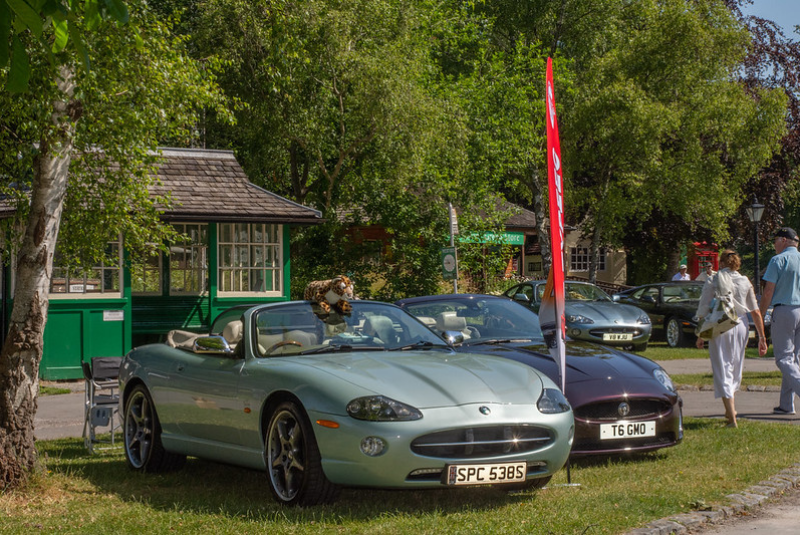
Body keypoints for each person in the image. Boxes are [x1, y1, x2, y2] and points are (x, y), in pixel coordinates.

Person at [696, 250, 768, 427]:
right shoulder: (745, 281)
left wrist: (700, 333)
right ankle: (730, 412)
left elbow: (703, 307)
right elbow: (756, 311)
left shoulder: (714, 279)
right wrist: (762, 337)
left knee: (722, 367)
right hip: (742, 324)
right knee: (735, 367)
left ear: (721, 262)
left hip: (722, 324)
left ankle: (732, 417)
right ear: (738, 263)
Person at [760, 227, 800, 415]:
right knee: (795, 359)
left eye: (775, 240)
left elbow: (768, 291)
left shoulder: (778, 260)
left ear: (784, 240)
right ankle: (786, 404)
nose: (774, 244)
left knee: (784, 358)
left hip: (784, 309)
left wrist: (760, 313)